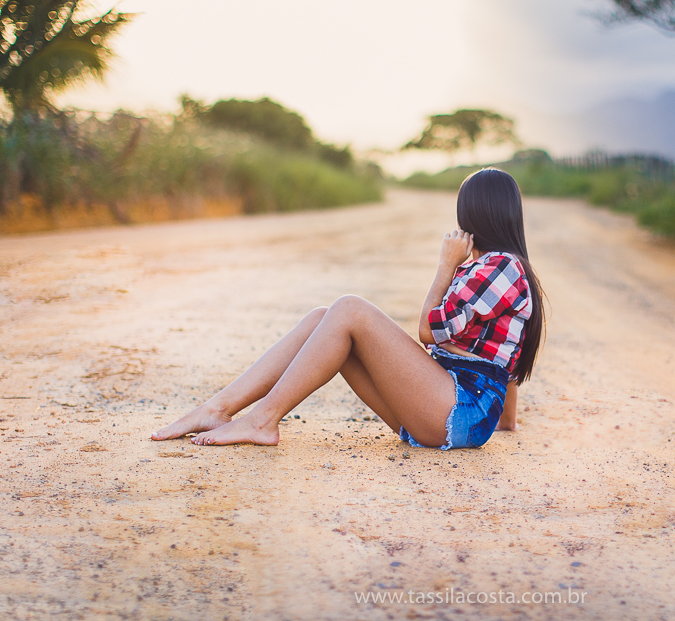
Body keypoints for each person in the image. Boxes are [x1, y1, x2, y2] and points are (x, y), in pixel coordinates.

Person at [151, 168, 545, 449]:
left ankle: (262, 419)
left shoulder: (500, 267)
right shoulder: (506, 269)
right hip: (447, 411)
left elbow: (430, 330)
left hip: (455, 412)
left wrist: (445, 266)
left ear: (472, 215)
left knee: (350, 309)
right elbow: (505, 355)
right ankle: (217, 408)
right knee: (324, 319)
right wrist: (505, 420)